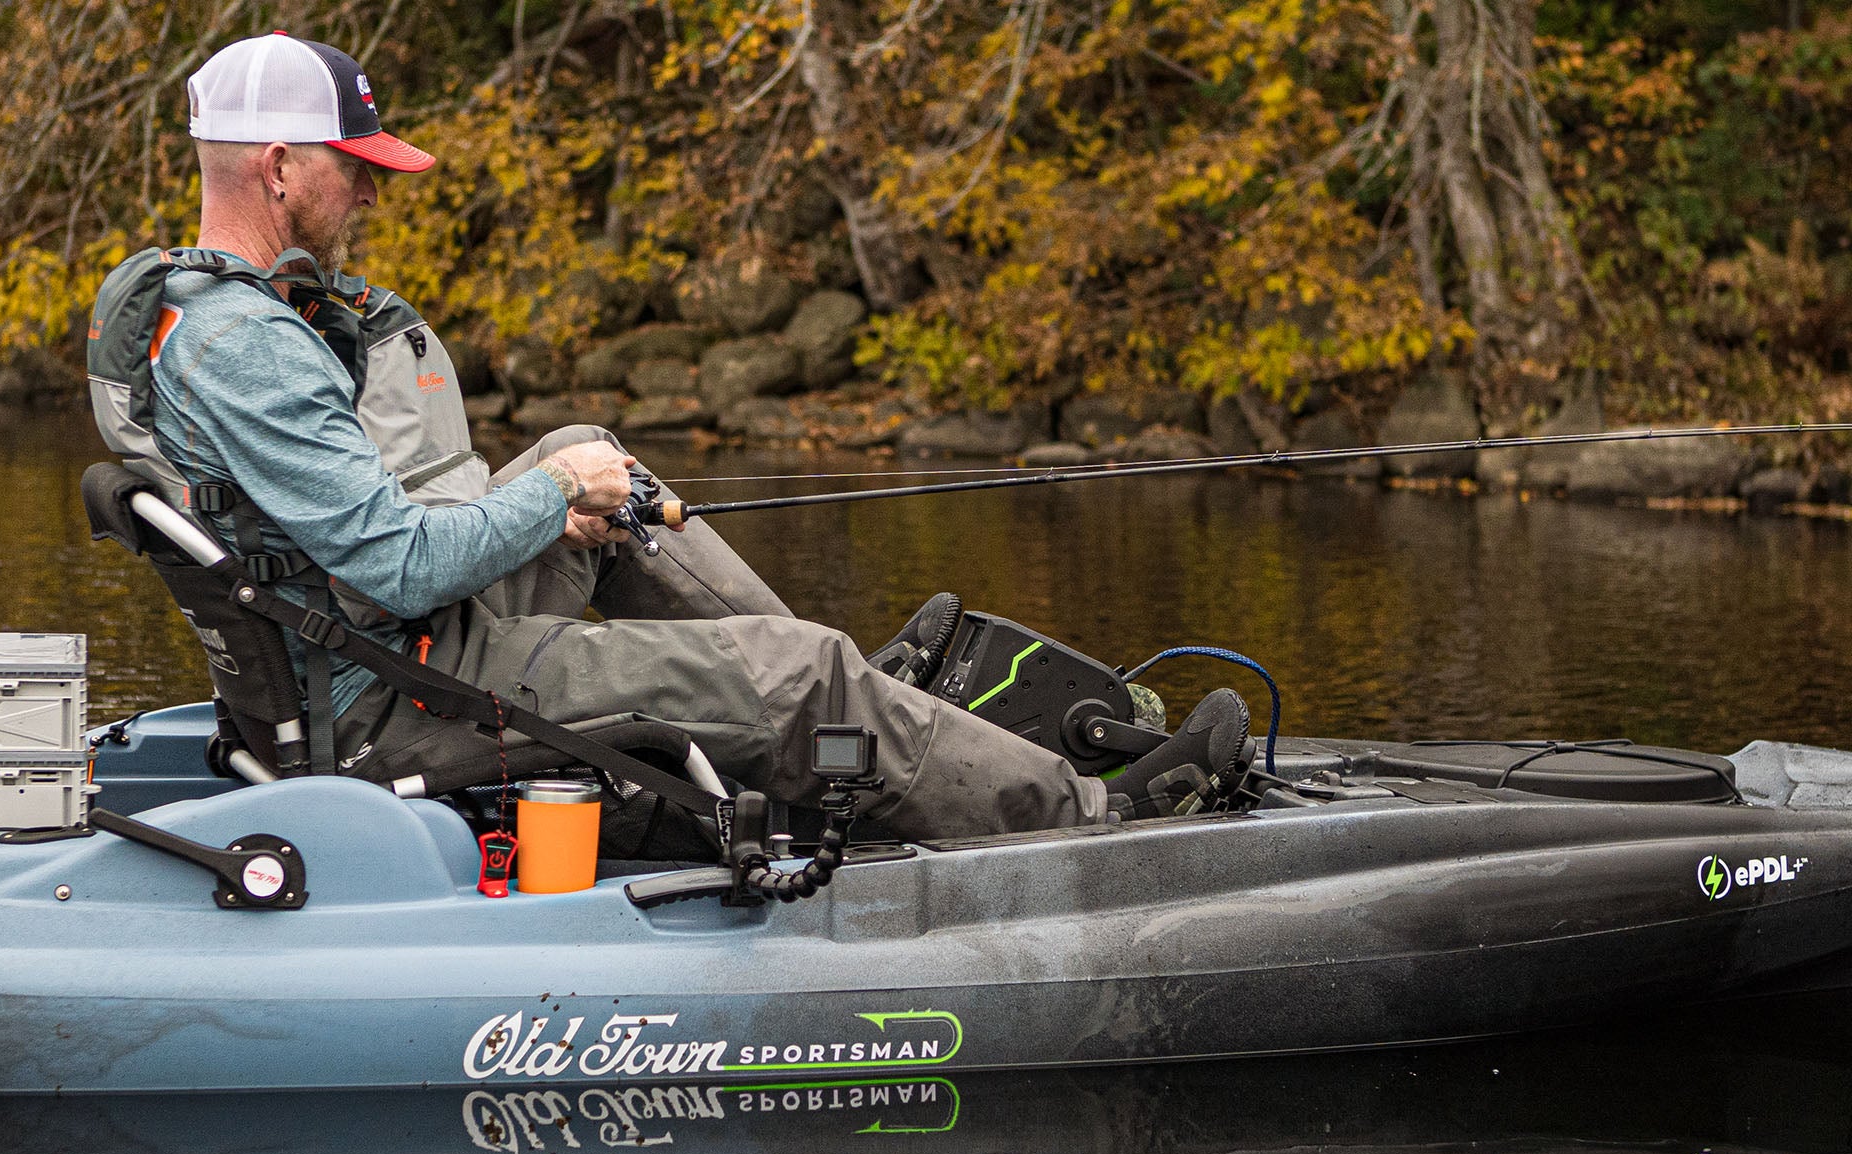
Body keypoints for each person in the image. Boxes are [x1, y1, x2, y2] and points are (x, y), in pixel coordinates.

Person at [134, 32, 1223, 840]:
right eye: (351, 161)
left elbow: (368, 545)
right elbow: (400, 566)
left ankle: (851, 717)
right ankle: (1089, 810)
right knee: (792, 669)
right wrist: (545, 490)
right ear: (278, 168)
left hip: (367, 645)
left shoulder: (200, 312)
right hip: (399, 693)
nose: (370, 184)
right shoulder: (251, 350)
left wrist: (569, 488)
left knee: (607, 466)